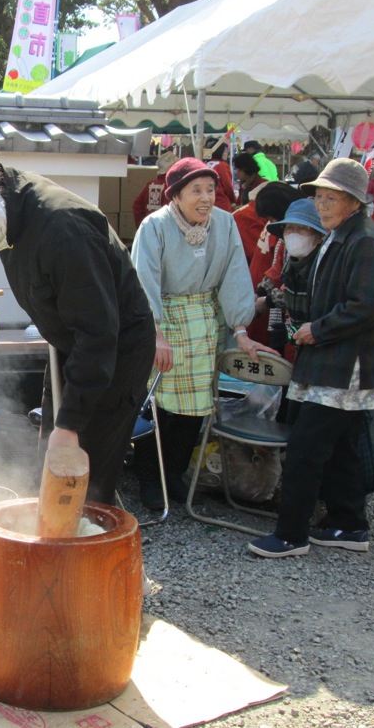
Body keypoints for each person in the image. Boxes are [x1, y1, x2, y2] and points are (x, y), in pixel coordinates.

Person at [0, 155, 156, 506]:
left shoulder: (64, 231)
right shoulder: (10, 206)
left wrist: (69, 426)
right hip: (72, 348)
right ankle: (55, 539)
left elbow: (98, 335)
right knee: (52, 464)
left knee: (83, 475)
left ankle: (90, 546)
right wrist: (63, 425)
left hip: (113, 354)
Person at [248, 158, 374, 558]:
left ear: (353, 202)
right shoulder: (341, 234)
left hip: (345, 364)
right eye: (319, 197)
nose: (322, 206)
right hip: (331, 358)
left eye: (331, 199)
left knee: (306, 447)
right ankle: (349, 524)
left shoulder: (364, 240)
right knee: (342, 446)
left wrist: (319, 328)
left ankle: (291, 534)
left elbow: (366, 306)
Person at [130, 157, 275, 510]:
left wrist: (240, 329)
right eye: (196, 190)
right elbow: (142, 281)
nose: (206, 197)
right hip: (168, 321)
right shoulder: (155, 226)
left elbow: (234, 274)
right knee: (159, 407)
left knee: (196, 409)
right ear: (176, 195)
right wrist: (155, 335)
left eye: (211, 189)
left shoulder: (224, 224)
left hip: (206, 323)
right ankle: (150, 478)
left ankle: (175, 474)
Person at [257, 198, 327, 361]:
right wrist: (260, 291)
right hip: (296, 342)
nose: (295, 234)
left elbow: (324, 318)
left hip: (320, 352)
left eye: (303, 229)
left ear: (319, 236)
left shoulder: (325, 266)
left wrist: (268, 301)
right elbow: (276, 271)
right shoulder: (292, 257)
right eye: (290, 228)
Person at [132, 151, 178, 227]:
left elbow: (137, 206)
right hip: (164, 231)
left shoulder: (150, 185)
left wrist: (142, 226)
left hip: (150, 229)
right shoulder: (170, 187)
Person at [205, 137, 236, 212]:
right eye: (225, 152)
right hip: (221, 204)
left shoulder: (205, 164)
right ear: (220, 152)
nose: (226, 154)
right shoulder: (222, 165)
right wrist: (233, 200)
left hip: (206, 202)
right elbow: (228, 185)